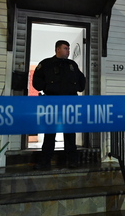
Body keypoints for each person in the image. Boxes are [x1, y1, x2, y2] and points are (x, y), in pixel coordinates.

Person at [32, 40, 86, 169]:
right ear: (57, 49)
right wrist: (47, 88)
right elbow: (36, 80)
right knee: (50, 132)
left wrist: (77, 88)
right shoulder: (46, 64)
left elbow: (81, 79)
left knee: (70, 132)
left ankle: (72, 161)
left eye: (68, 48)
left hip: (70, 103)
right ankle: (45, 161)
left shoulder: (71, 65)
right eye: (65, 48)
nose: (68, 51)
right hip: (52, 102)